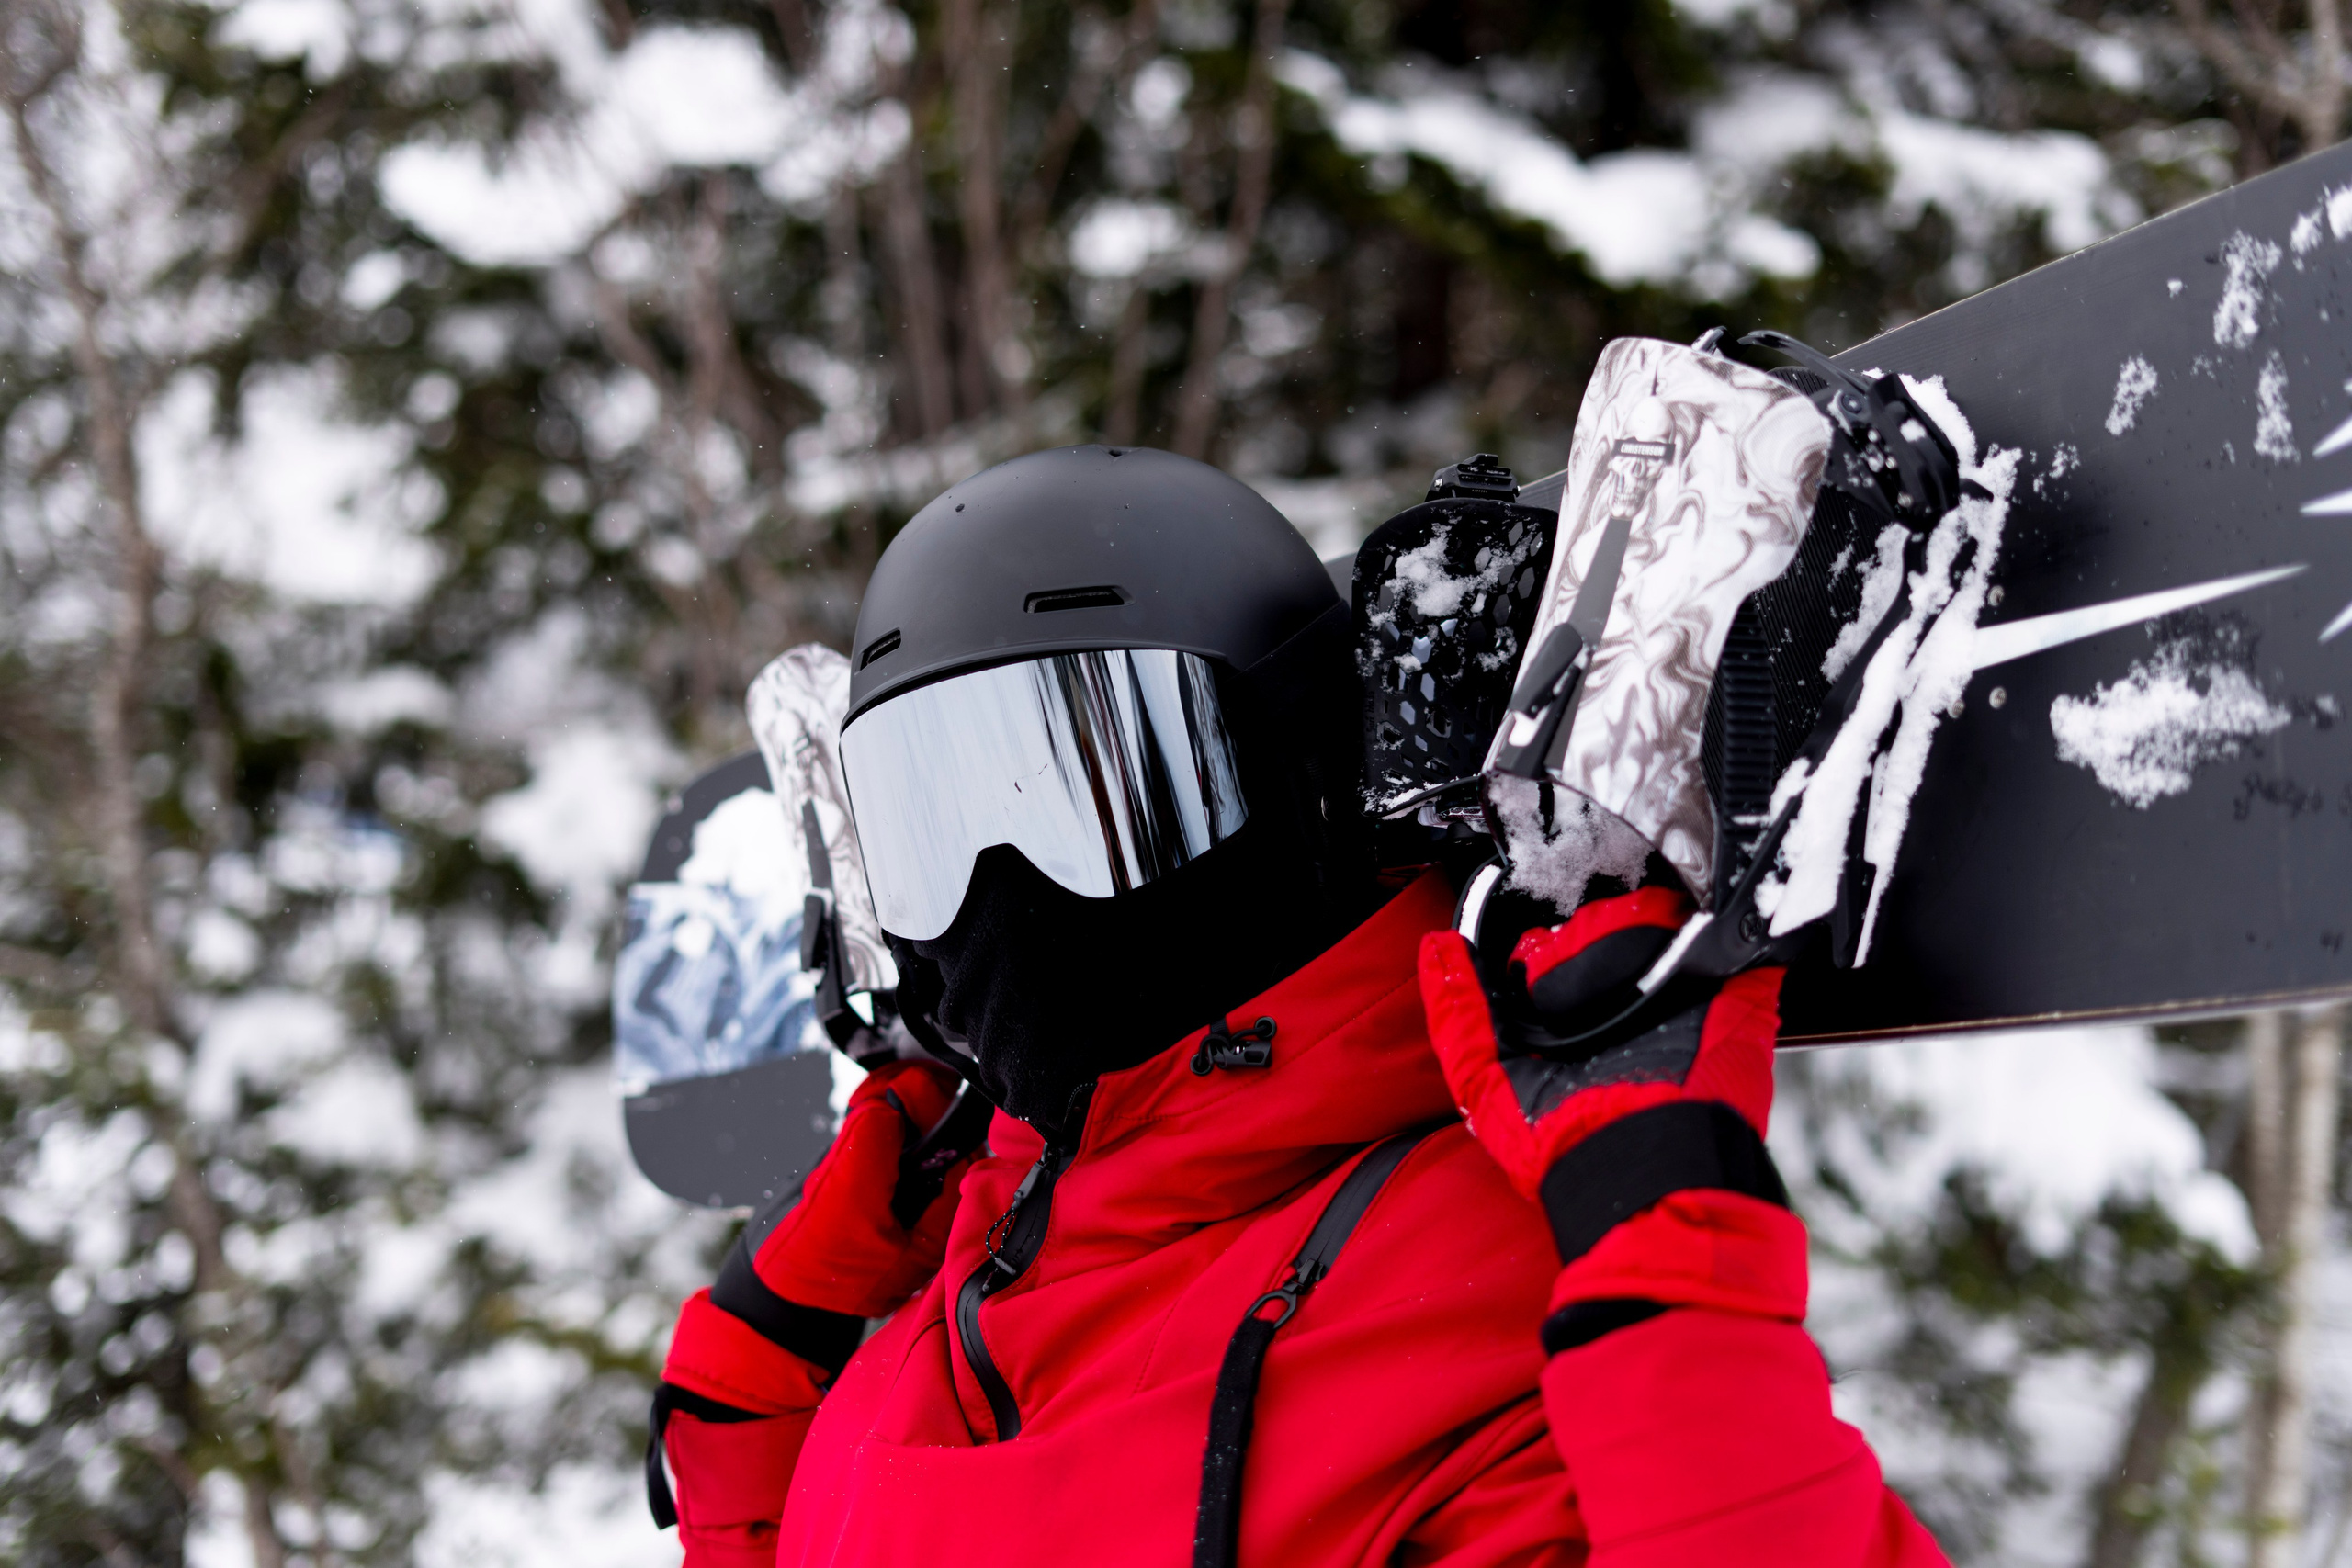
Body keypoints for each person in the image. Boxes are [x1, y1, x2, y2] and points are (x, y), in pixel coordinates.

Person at [647, 428, 1952, 1565]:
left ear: (1300, 784)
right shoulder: (956, 1292)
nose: (1007, 892)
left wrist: (1666, 1281)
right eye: (936, 828)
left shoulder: (1466, 1298)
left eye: (1102, 793)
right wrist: (749, 1385)